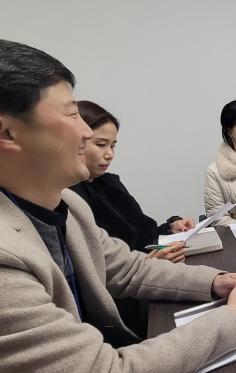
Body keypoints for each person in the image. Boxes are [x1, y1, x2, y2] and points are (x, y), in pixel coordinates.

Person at [0, 37, 236, 373]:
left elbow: (128, 268)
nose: (85, 132)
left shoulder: (67, 205)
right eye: (71, 114)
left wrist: (216, 281)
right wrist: (230, 317)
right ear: (1, 132)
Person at [69, 100, 194, 262]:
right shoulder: (70, 198)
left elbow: (142, 234)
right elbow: (99, 263)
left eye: (112, 146)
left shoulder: (110, 182)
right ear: (77, 142)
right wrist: (150, 261)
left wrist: (171, 227)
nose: (109, 154)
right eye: (101, 144)